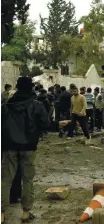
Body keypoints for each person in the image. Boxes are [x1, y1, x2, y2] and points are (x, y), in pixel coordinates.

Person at [1, 76, 49, 223]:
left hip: (9, 147)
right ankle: (25, 213)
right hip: (28, 147)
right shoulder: (36, 105)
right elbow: (45, 124)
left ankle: (1, 214)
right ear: (30, 88)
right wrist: (35, 133)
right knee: (27, 179)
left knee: (5, 180)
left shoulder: (5, 106)